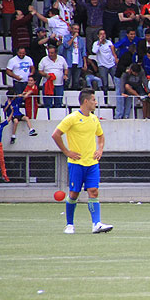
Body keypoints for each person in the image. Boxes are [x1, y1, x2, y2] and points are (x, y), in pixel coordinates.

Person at [51, 89, 113, 234]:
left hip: (92, 163)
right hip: (76, 163)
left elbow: (101, 136)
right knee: (74, 193)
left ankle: (96, 224)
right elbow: (56, 135)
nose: (95, 102)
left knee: (94, 191)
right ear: (86, 101)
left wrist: (100, 149)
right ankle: (70, 224)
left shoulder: (94, 119)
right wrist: (66, 152)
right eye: (93, 100)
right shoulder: (71, 118)